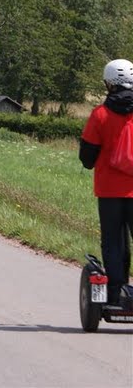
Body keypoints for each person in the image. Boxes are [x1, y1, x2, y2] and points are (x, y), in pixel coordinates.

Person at [80, 58, 133, 306]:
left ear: (109, 83)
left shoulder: (100, 115)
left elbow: (87, 158)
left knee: (112, 241)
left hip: (109, 191)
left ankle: (115, 293)